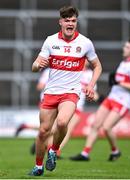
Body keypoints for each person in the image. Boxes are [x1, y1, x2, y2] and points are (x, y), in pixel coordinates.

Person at [29, 5, 102, 176]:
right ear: (60, 22)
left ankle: (54, 150)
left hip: (71, 92)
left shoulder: (85, 43)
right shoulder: (50, 41)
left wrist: (91, 85)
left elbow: (97, 66)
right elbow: (34, 66)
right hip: (51, 92)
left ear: (76, 22)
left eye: (73, 21)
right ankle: (38, 166)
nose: (70, 23)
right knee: (43, 132)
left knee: (62, 123)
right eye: (67, 20)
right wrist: (37, 65)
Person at [70, 38, 130, 162]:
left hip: (123, 102)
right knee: (95, 124)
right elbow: (119, 82)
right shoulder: (124, 63)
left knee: (107, 127)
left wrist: (119, 82)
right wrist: (116, 82)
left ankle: (115, 151)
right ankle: (85, 153)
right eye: (126, 46)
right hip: (111, 98)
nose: (125, 48)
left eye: (128, 47)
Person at [49, 62, 99, 158]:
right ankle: (46, 145)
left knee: (68, 129)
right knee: (54, 129)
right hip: (65, 103)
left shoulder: (90, 75)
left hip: (78, 106)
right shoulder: (73, 70)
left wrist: (93, 95)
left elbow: (93, 93)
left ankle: (56, 151)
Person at [15, 68, 50, 137]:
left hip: (56, 101)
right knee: (48, 127)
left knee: (51, 127)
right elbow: (40, 86)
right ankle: (40, 143)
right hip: (48, 101)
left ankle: (26, 126)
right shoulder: (48, 71)